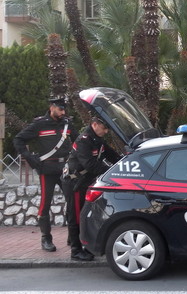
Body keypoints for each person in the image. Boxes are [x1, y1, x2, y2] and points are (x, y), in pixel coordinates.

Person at [13, 97, 78, 252]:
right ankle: (46, 239)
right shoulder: (40, 124)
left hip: (64, 169)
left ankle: (73, 236)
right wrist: (29, 157)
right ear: (52, 107)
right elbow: (18, 139)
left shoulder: (67, 124)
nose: (63, 112)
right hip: (47, 169)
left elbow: (78, 142)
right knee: (45, 204)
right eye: (60, 109)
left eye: (64, 109)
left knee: (72, 201)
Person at [61, 116, 121, 261]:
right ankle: (75, 251)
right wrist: (110, 171)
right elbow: (90, 165)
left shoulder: (97, 139)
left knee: (84, 213)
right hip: (74, 182)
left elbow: (111, 154)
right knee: (75, 215)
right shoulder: (84, 140)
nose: (106, 131)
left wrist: (123, 164)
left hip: (84, 182)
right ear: (95, 125)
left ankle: (75, 241)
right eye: (104, 128)